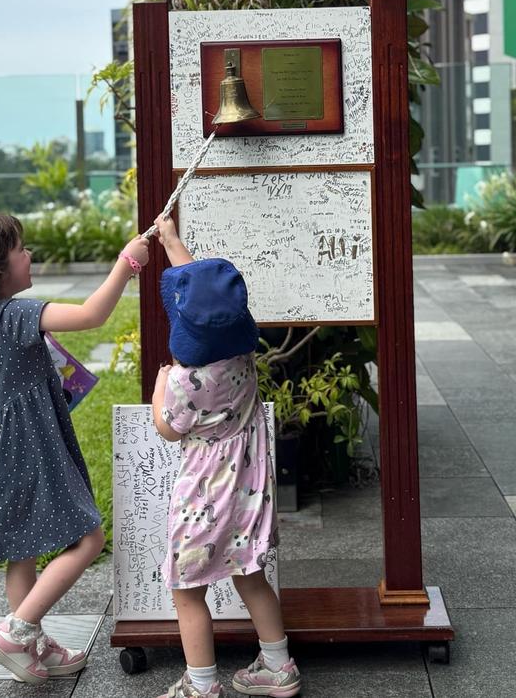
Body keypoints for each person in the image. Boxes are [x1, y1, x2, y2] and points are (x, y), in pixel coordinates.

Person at [0, 212, 149, 685]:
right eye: (21, 250)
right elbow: (91, 315)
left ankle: (33, 645)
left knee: (20, 550)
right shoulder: (18, 314)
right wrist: (126, 263)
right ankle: (16, 631)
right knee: (88, 539)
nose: (30, 255)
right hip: (34, 443)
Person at [151, 214, 301, 698]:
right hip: (248, 492)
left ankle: (201, 686)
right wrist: (173, 240)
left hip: (203, 497)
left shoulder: (184, 383)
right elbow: (208, 304)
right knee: (251, 576)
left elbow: (168, 429)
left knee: (187, 592)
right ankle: (278, 667)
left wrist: (158, 387)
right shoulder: (241, 357)